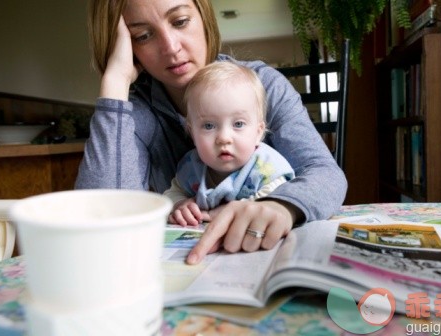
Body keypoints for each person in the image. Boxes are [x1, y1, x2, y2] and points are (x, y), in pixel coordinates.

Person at [75, 0, 348, 265]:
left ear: (203, 16)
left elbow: (325, 173)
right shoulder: (136, 114)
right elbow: (101, 219)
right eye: (144, 35)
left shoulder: (263, 85)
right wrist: (115, 81)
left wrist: (281, 206)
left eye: (180, 21)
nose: (171, 47)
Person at [164, 61, 295, 226]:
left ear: (258, 132)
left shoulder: (265, 167)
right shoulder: (192, 167)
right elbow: (172, 193)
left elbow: (280, 196)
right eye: (209, 126)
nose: (224, 138)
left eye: (238, 124)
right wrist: (179, 204)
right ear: (192, 133)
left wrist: (245, 208)